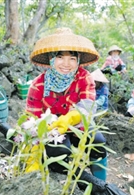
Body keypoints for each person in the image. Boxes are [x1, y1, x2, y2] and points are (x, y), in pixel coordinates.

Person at [25, 27, 108, 181]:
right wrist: (34, 152)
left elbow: (88, 105)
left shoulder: (84, 77)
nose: (66, 64)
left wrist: (69, 118)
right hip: (52, 131)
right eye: (60, 57)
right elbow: (32, 119)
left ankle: (100, 183)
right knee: (59, 150)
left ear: (78, 60)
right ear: (51, 59)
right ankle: (61, 180)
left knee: (98, 142)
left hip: (79, 125)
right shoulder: (38, 85)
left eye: (72, 58)